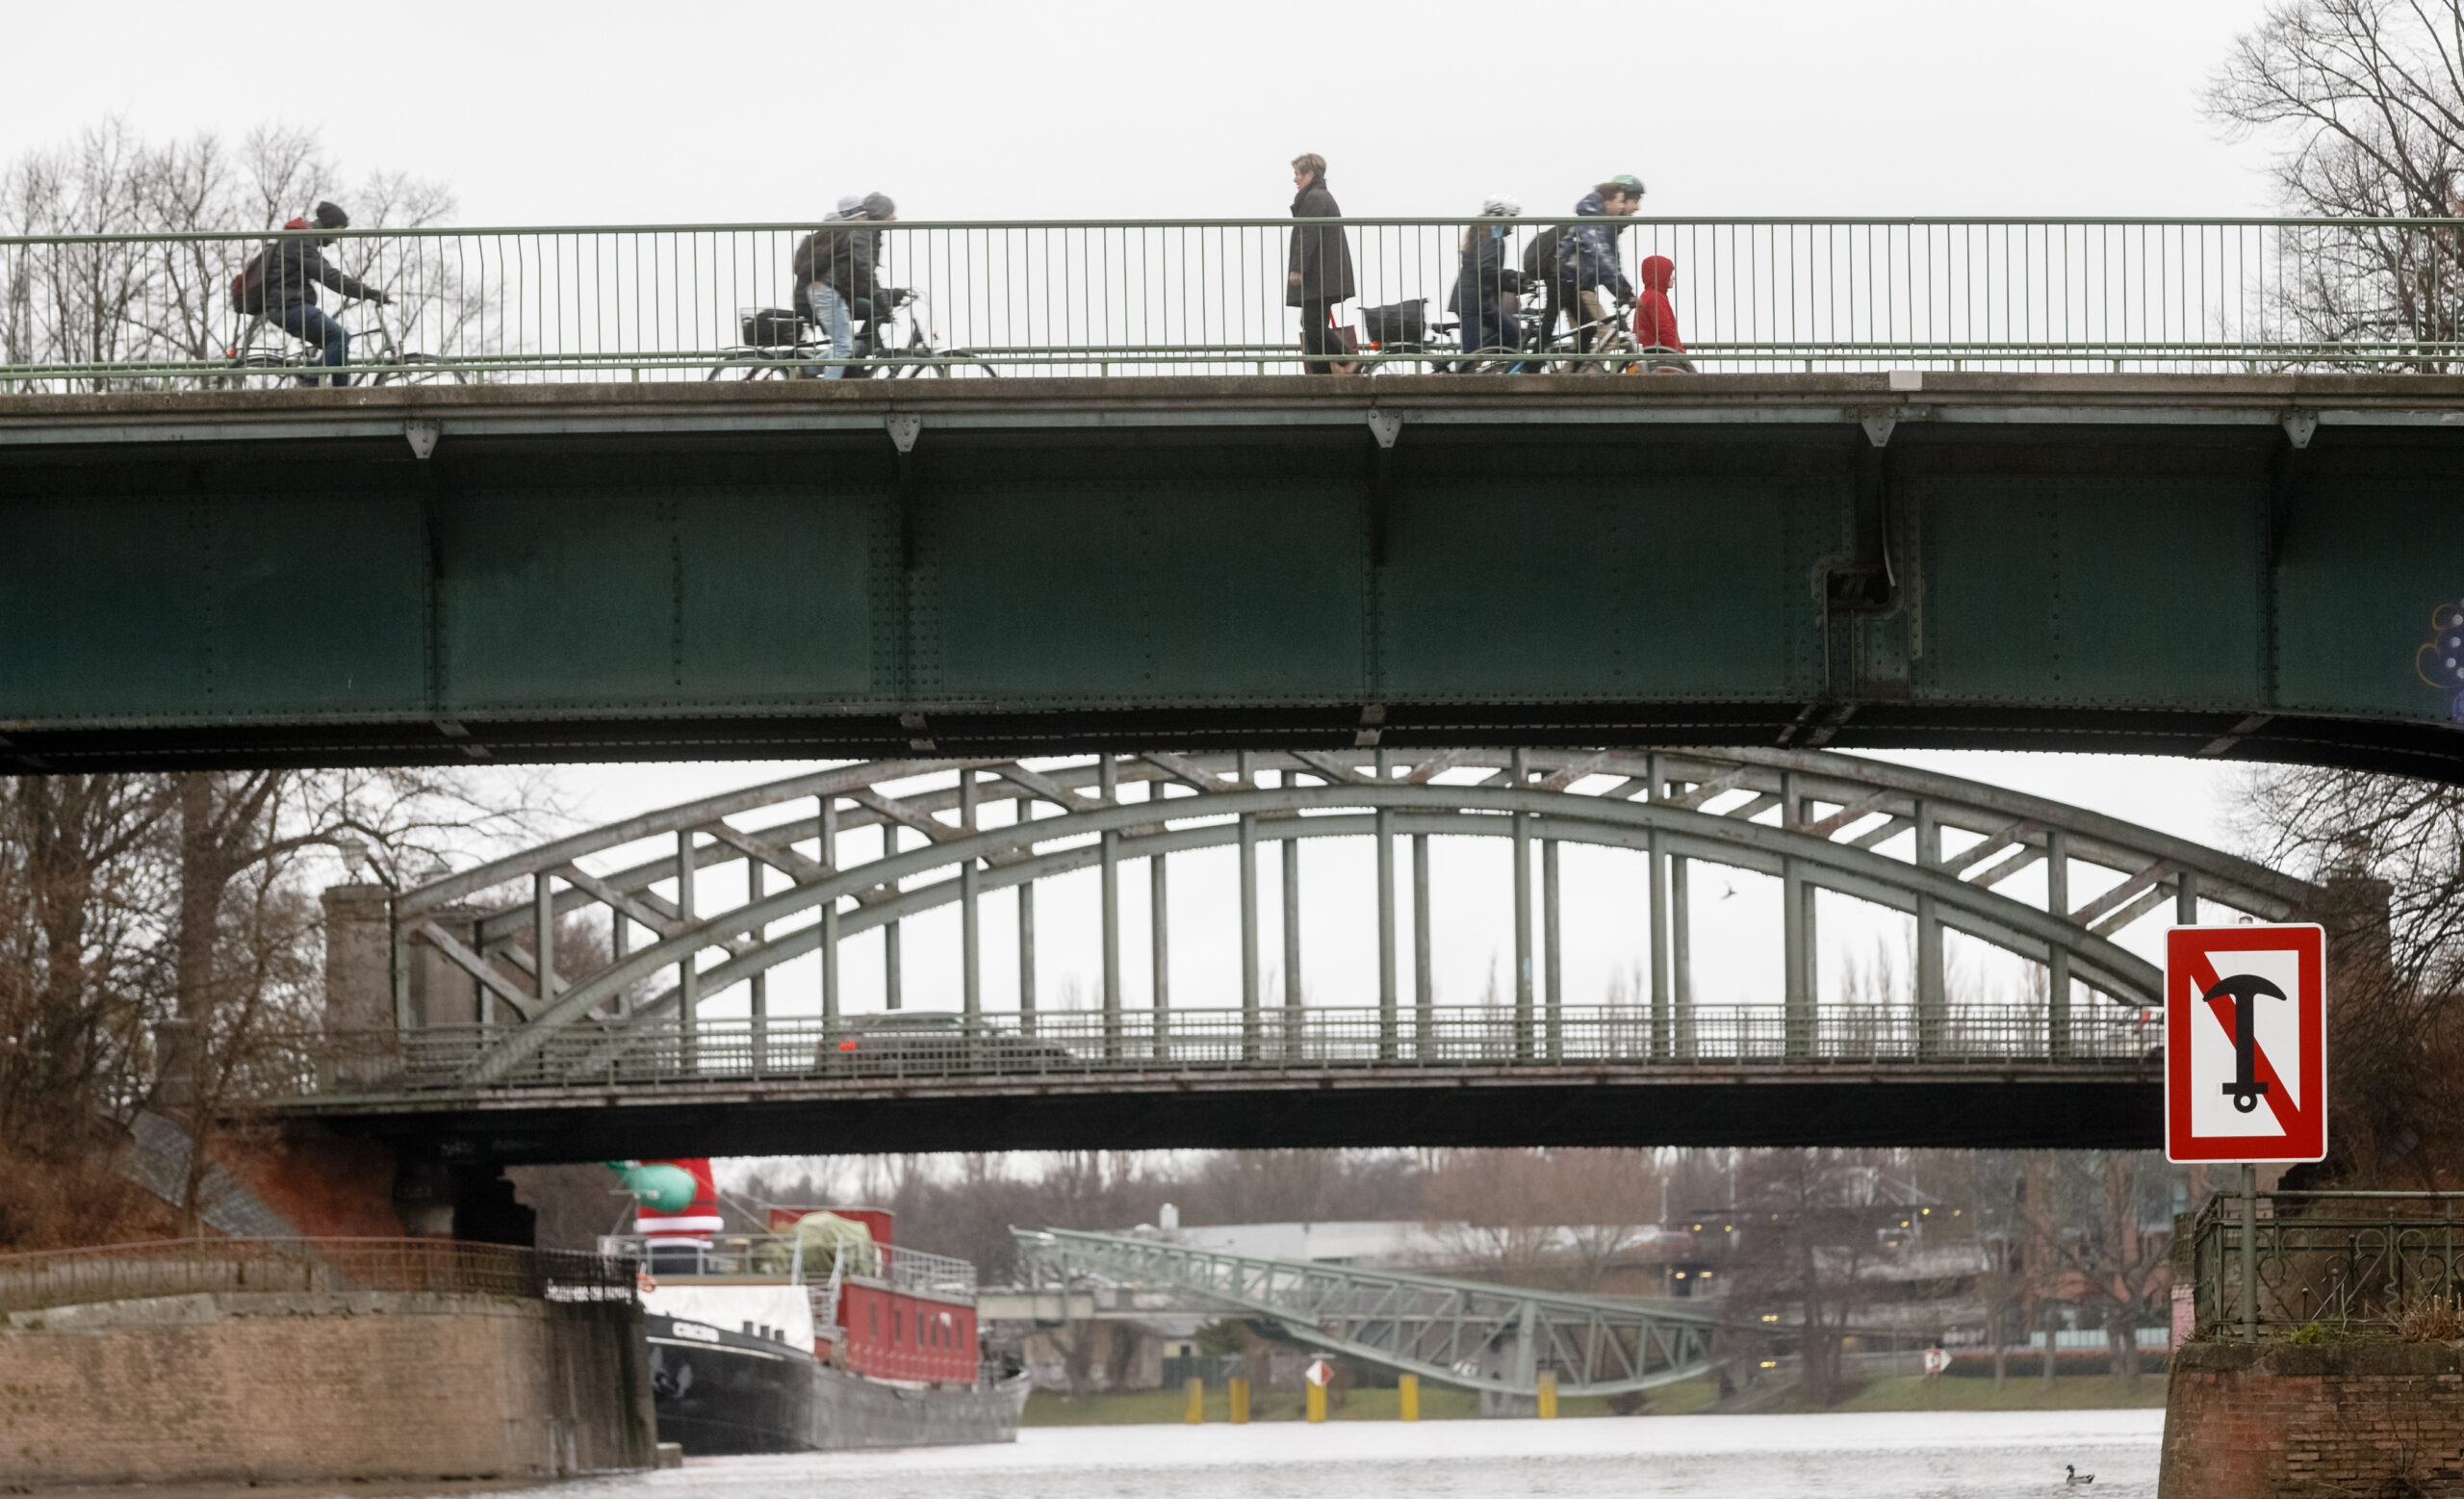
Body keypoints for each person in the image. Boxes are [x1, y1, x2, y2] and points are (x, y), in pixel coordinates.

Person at [232, 200, 386, 387]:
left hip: (286, 306)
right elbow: (328, 275)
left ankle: (342, 393)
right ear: (329, 226)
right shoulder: (302, 240)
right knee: (340, 337)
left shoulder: (303, 239)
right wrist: (368, 292)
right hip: (287, 306)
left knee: (337, 345)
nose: (338, 239)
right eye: (338, 231)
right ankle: (313, 385)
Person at [1537, 175, 1644, 363]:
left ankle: (1573, 380)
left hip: (1579, 286)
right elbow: (1602, 259)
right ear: (1612, 201)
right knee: (1606, 336)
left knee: (1587, 340)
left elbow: (1611, 264)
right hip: (1575, 286)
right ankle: (1569, 384)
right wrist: (1624, 292)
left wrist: (1623, 291)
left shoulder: (1607, 225)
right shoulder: (1596, 222)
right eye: (1632, 202)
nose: (1637, 208)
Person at [793, 192, 896, 378]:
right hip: (826, 291)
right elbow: (864, 269)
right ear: (881, 214)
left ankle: (810, 369)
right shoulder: (863, 232)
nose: (894, 218)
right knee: (843, 346)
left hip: (828, 290)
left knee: (848, 343)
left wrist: (884, 298)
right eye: (890, 213)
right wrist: (883, 299)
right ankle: (827, 394)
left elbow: (858, 273)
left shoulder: (861, 231)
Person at [1287, 154, 1357, 375]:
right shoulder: (1319, 196)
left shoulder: (1314, 198)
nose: (1295, 179)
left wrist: (1298, 267)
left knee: (1313, 325)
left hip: (1320, 276)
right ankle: (1320, 373)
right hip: (1324, 275)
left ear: (1310, 175)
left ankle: (1346, 359)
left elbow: (1308, 233)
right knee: (1312, 325)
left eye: (1298, 174)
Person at [1457, 195, 1526, 364]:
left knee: (1512, 332)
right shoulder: (1492, 239)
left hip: (1478, 300)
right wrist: (1514, 275)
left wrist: (1514, 285)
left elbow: (1488, 273)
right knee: (1510, 333)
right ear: (1502, 217)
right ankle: (1463, 371)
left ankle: (1478, 361)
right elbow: (1485, 268)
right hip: (1473, 302)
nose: (1513, 225)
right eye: (1511, 219)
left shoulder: (1485, 235)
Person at [1630, 253, 1695, 374]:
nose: (1673, 277)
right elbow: (1666, 331)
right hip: (1660, 362)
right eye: (1670, 274)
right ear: (1661, 275)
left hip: (1649, 359)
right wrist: (1681, 356)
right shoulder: (1656, 298)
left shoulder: (1647, 296)